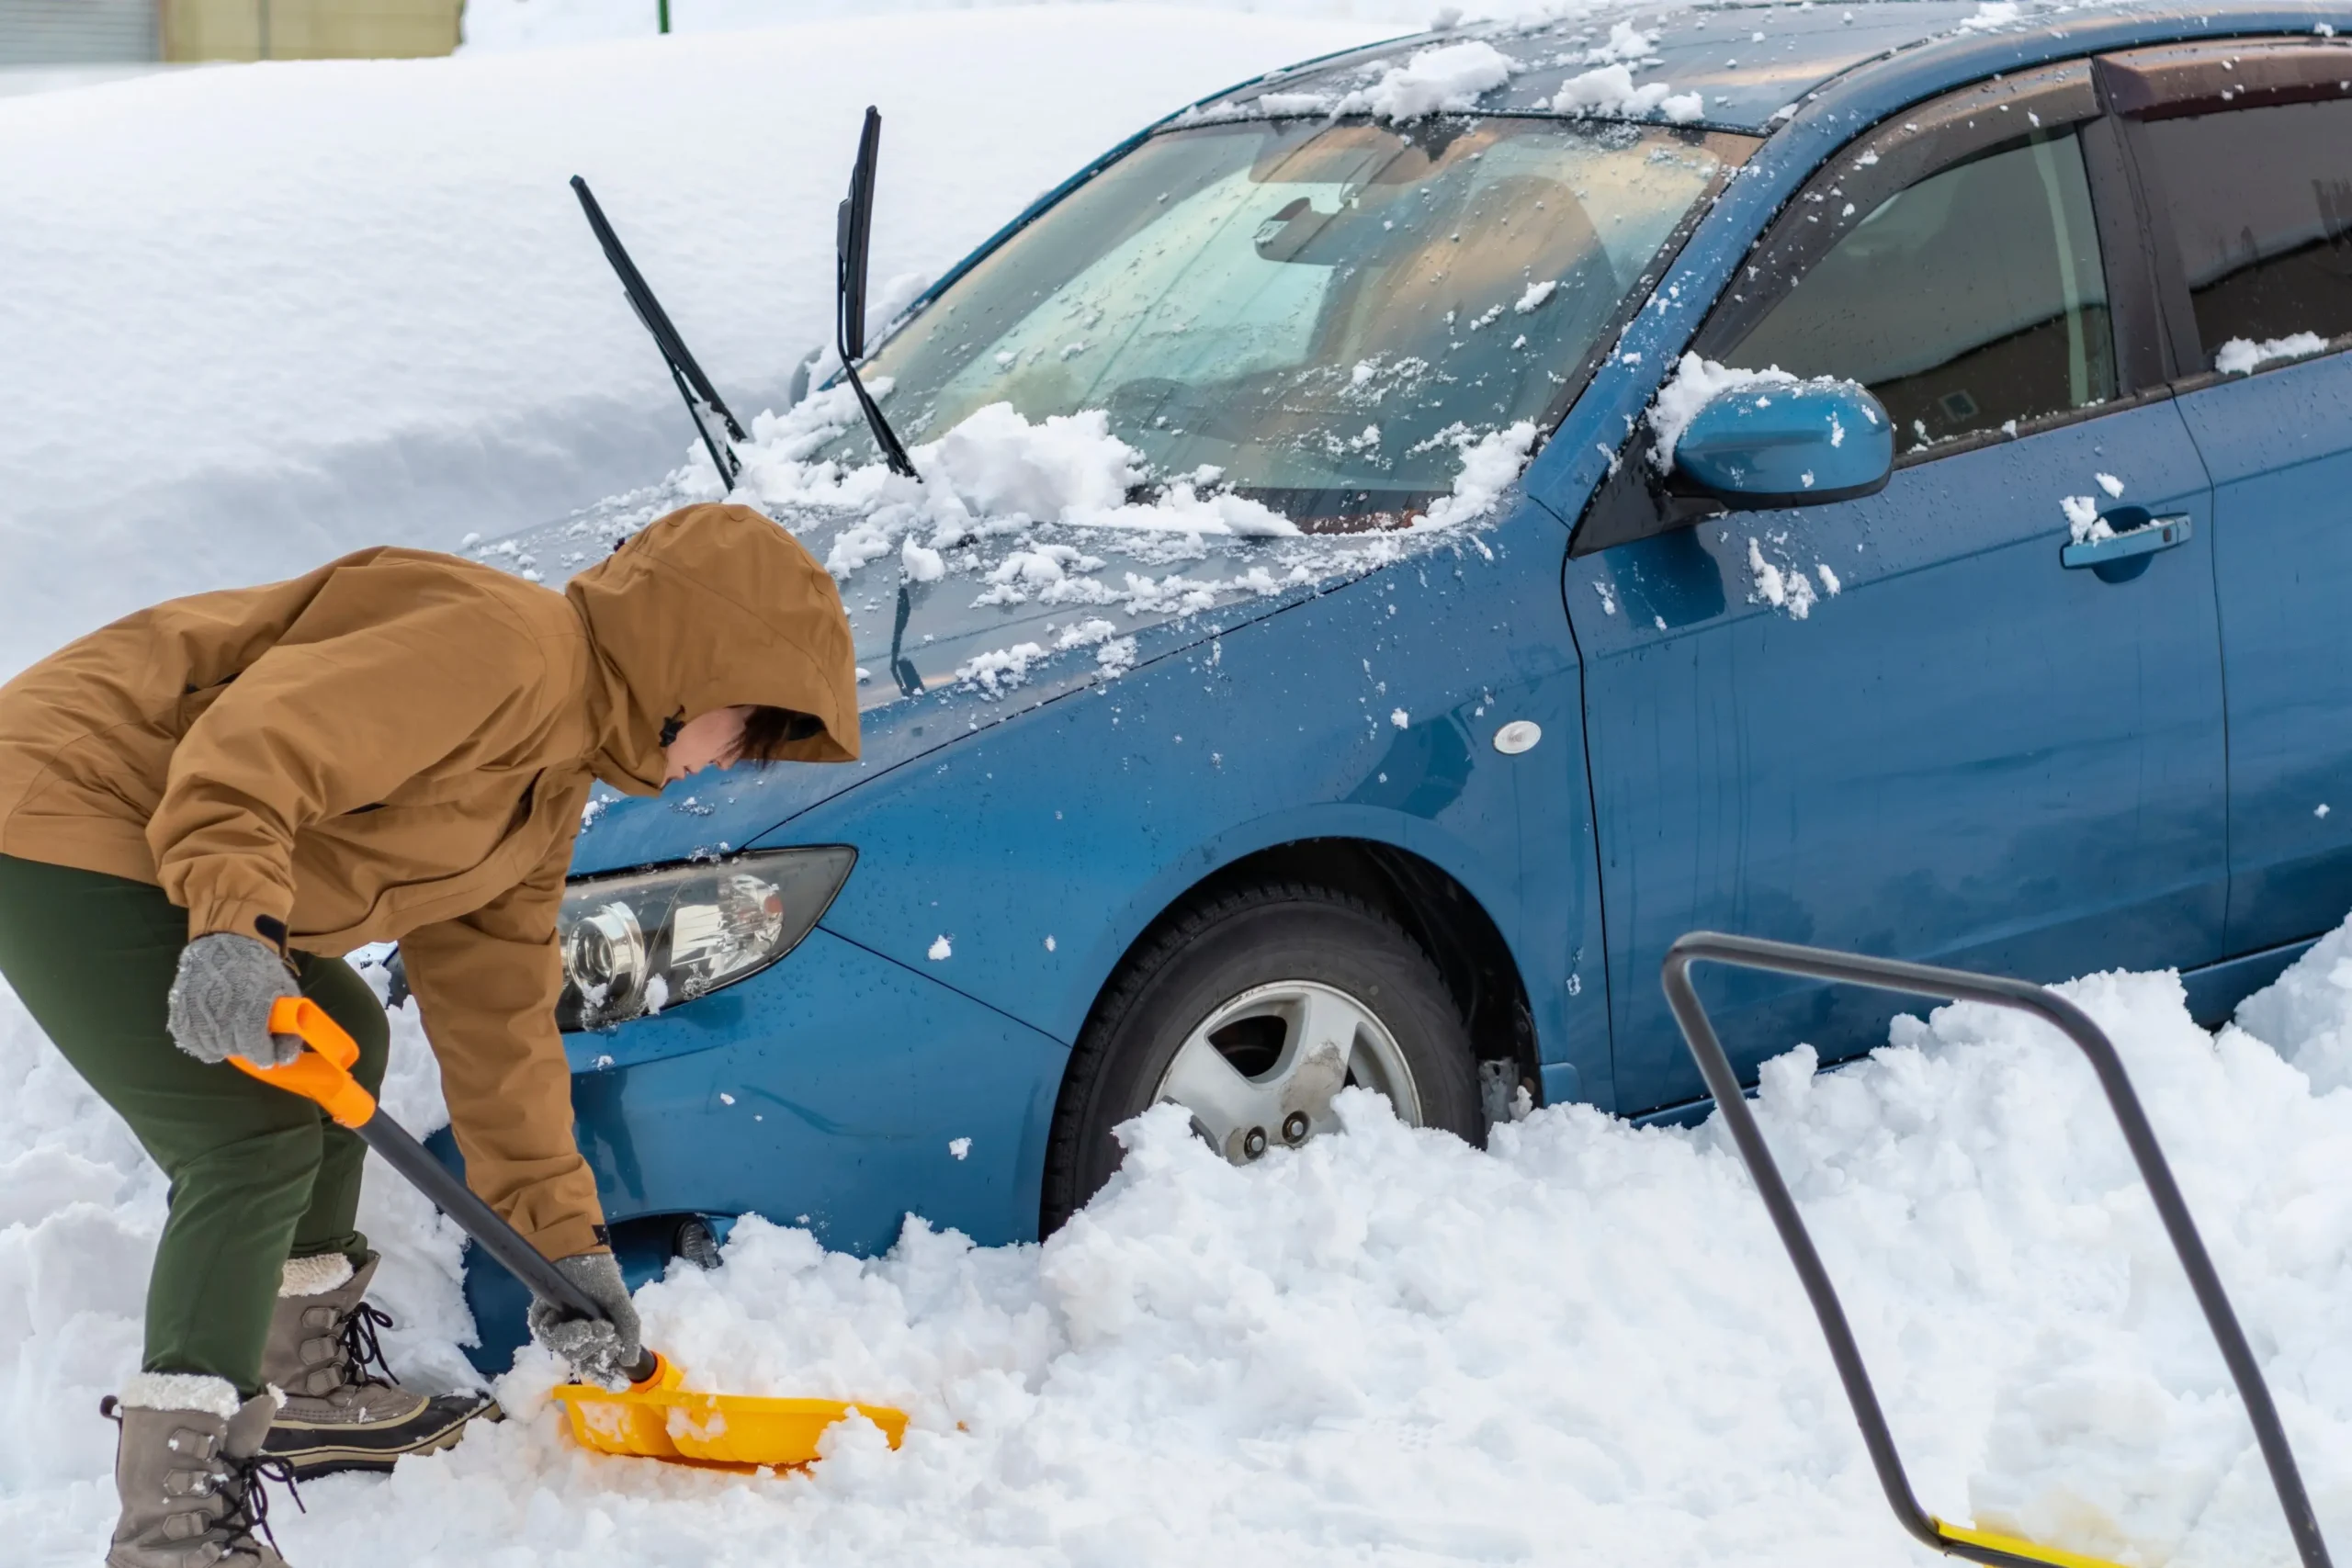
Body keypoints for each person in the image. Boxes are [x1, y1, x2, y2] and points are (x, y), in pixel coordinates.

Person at [0, 503, 858, 1567]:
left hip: (159, 828)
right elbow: (252, 749)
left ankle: (301, 1374)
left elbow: (500, 1028)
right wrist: (232, 926)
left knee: (341, 1031)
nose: (730, 763)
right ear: (699, 661)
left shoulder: (544, 794)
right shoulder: (504, 651)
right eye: (750, 727)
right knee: (249, 1134)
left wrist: (564, 1250)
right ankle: (175, 1523)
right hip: (67, 804)